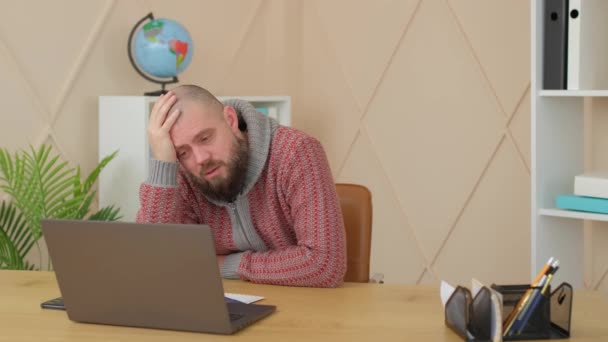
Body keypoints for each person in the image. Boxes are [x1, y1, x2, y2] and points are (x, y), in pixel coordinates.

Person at [136, 85, 347, 288]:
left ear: (230, 120)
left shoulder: (296, 152)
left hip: (304, 311)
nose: (200, 158)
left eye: (205, 138)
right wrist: (163, 164)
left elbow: (323, 264)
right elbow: (155, 263)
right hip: (219, 309)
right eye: (183, 152)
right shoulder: (184, 173)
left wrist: (224, 266)